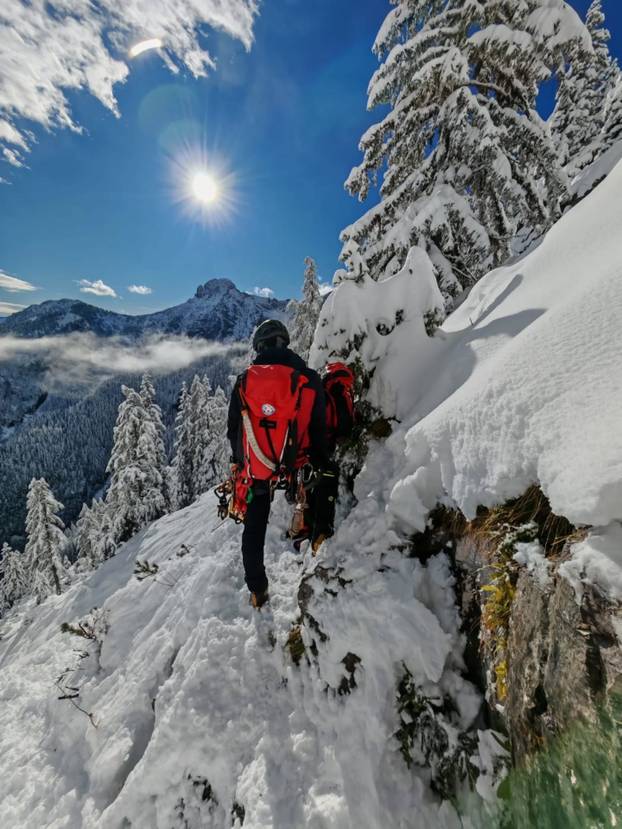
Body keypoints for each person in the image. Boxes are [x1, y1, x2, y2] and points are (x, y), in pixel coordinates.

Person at [227, 319, 330, 609]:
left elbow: (234, 427)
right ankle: (317, 563)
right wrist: (318, 461)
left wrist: (239, 463)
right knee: (314, 503)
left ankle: (258, 591)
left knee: (254, 527)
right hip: (297, 462)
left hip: (258, 467)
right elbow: (319, 428)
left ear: (259, 347)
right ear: (285, 343)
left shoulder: (244, 381)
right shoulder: (308, 378)